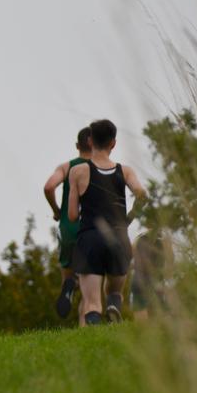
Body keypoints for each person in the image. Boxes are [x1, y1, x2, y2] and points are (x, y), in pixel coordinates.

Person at [68, 119, 146, 326]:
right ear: (113, 143)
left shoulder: (78, 172)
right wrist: (127, 220)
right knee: (114, 291)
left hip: (90, 238)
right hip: (119, 238)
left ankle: (94, 324)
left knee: (92, 303)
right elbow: (142, 195)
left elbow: (73, 215)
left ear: (90, 140)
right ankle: (113, 305)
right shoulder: (125, 171)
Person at [43, 127, 92, 318]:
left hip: (68, 228)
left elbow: (48, 187)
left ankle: (68, 284)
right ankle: (87, 324)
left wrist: (56, 210)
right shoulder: (102, 168)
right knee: (91, 290)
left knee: (69, 271)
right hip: (91, 230)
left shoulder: (66, 167)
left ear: (77, 146)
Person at [130, 227, 174, 320]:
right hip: (157, 280)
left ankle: (142, 332)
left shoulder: (139, 238)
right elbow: (171, 262)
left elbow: (132, 258)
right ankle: (166, 332)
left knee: (140, 309)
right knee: (164, 311)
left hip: (139, 279)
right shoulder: (165, 241)